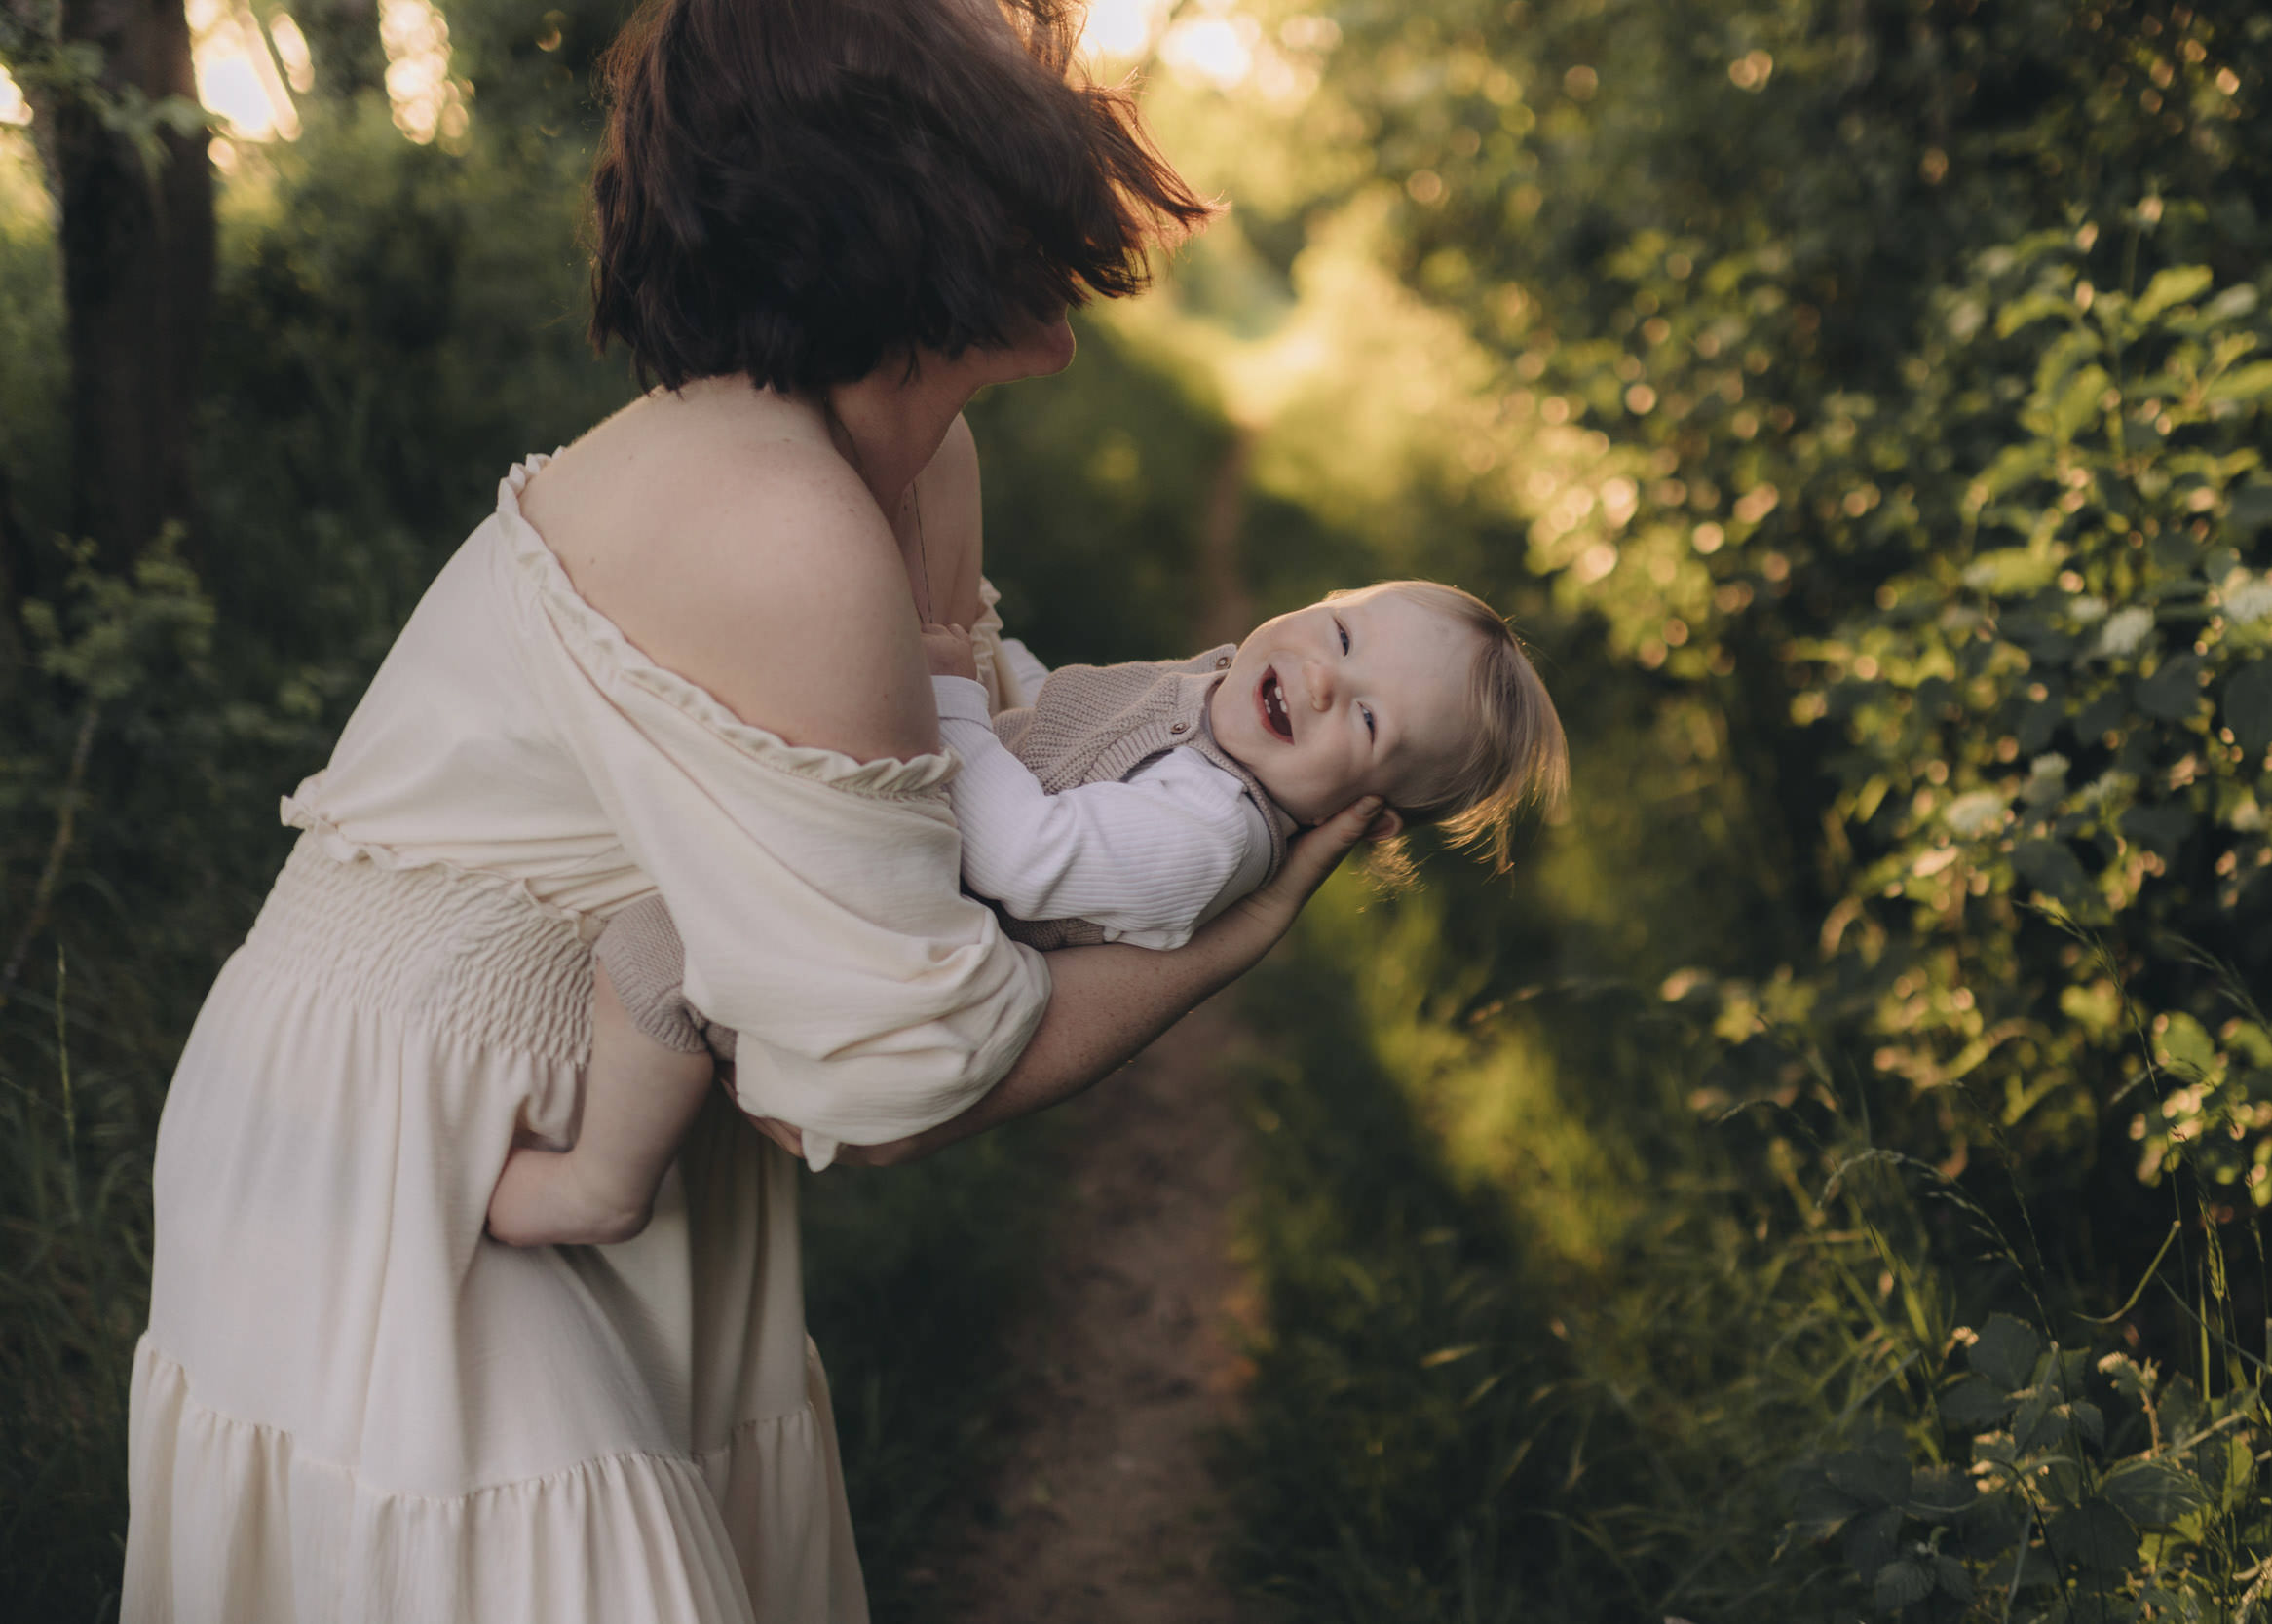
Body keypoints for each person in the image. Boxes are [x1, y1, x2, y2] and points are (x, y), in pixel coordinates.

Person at [119, 1, 1379, 1619]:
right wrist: (1239, 927)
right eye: (1015, 140)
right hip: (405, 1133)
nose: (1076, 164)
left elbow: (965, 838)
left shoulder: (922, 465)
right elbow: (880, 1081)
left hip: (601, 1103)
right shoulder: (779, 521)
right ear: (897, 212)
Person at [486, 579, 1570, 1248]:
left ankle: (603, 1182)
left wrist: (946, 687)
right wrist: (1008, 675)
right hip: (910, 870)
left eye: (1370, 719)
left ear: (1366, 816)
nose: (1328, 680)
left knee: (659, 945)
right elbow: (1074, 723)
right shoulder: (1214, 700)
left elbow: (1022, 851)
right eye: (1341, 633)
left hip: (906, 944)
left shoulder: (1212, 834)